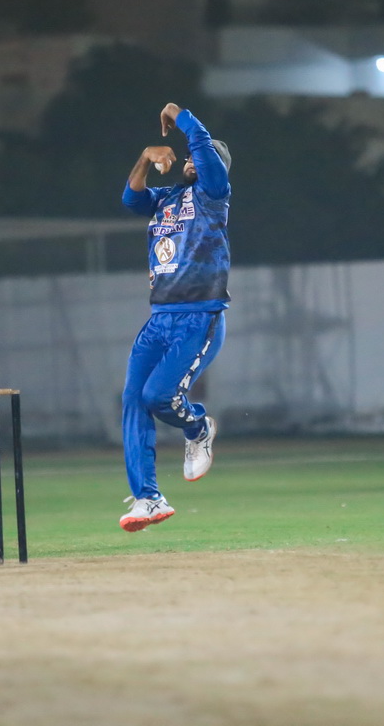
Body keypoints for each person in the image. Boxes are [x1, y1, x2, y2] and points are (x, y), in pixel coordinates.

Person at [117, 103, 232, 532]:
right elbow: (131, 198)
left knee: (158, 397)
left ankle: (198, 428)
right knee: (133, 399)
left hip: (199, 317)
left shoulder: (214, 195)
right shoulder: (166, 198)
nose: (189, 162)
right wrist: (145, 158)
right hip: (159, 318)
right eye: (188, 159)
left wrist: (177, 113)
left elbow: (200, 146)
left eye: (199, 159)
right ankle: (148, 498)